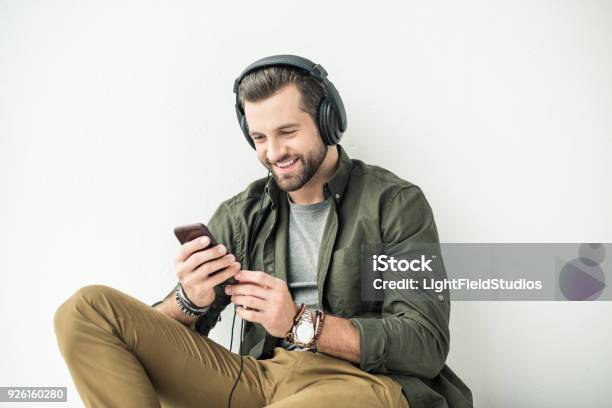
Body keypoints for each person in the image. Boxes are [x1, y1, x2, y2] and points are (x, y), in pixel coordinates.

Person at [54, 55, 473, 408]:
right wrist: (190, 301)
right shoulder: (241, 214)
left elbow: (425, 342)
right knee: (85, 311)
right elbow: (160, 338)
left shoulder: (394, 204)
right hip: (259, 378)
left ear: (328, 122)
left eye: (288, 132)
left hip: (361, 383)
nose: (273, 153)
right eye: (259, 137)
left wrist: (298, 324)